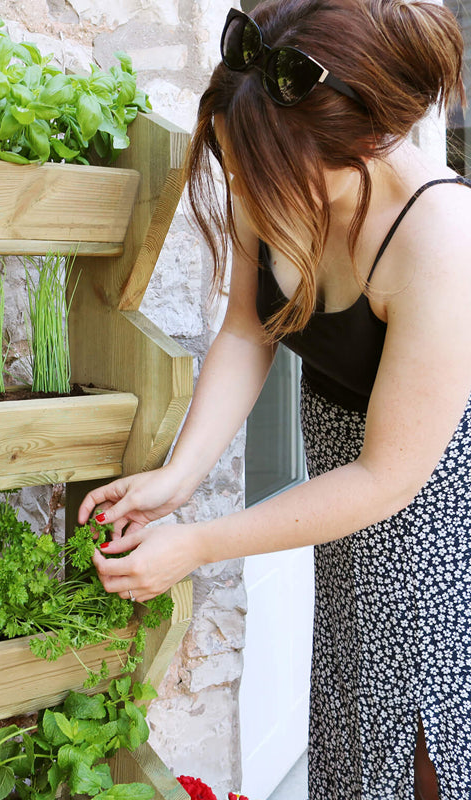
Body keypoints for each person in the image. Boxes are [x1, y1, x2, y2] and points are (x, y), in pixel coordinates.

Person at [76, 0, 471, 797]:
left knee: (424, 735)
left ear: (359, 143)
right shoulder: (280, 159)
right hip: (347, 501)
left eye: (259, 175)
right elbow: (247, 331)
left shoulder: (441, 239)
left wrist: (198, 543)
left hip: (435, 512)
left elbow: (387, 477)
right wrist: (178, 478)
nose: (245, 193)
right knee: (356, 717)